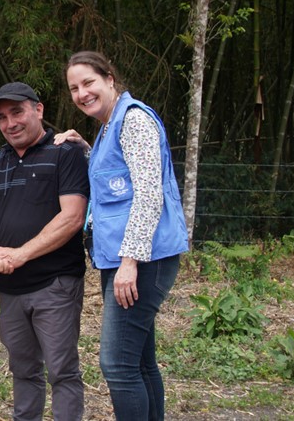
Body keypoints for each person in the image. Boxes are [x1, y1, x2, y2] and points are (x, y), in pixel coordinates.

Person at [61, 50, 188, 421]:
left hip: (141, 259)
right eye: (74, 88)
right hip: (122, 258)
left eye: (88, 83)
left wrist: (129, 263)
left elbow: (148, 194)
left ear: (110, 79)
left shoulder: (133, 120)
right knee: (140, 362)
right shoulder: (108, 126)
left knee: (116, 363)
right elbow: (117, 177)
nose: (82, 93)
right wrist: (86, 147)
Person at [0, 82, 90, 421]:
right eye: (1, 117)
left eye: (17, 112)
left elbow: (72, 217)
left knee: (61, 371)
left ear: (38, 110)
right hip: (9, 288)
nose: (10, 123)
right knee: (23, 369)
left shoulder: (65, 153)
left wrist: (19, 255)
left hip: (54, 284)